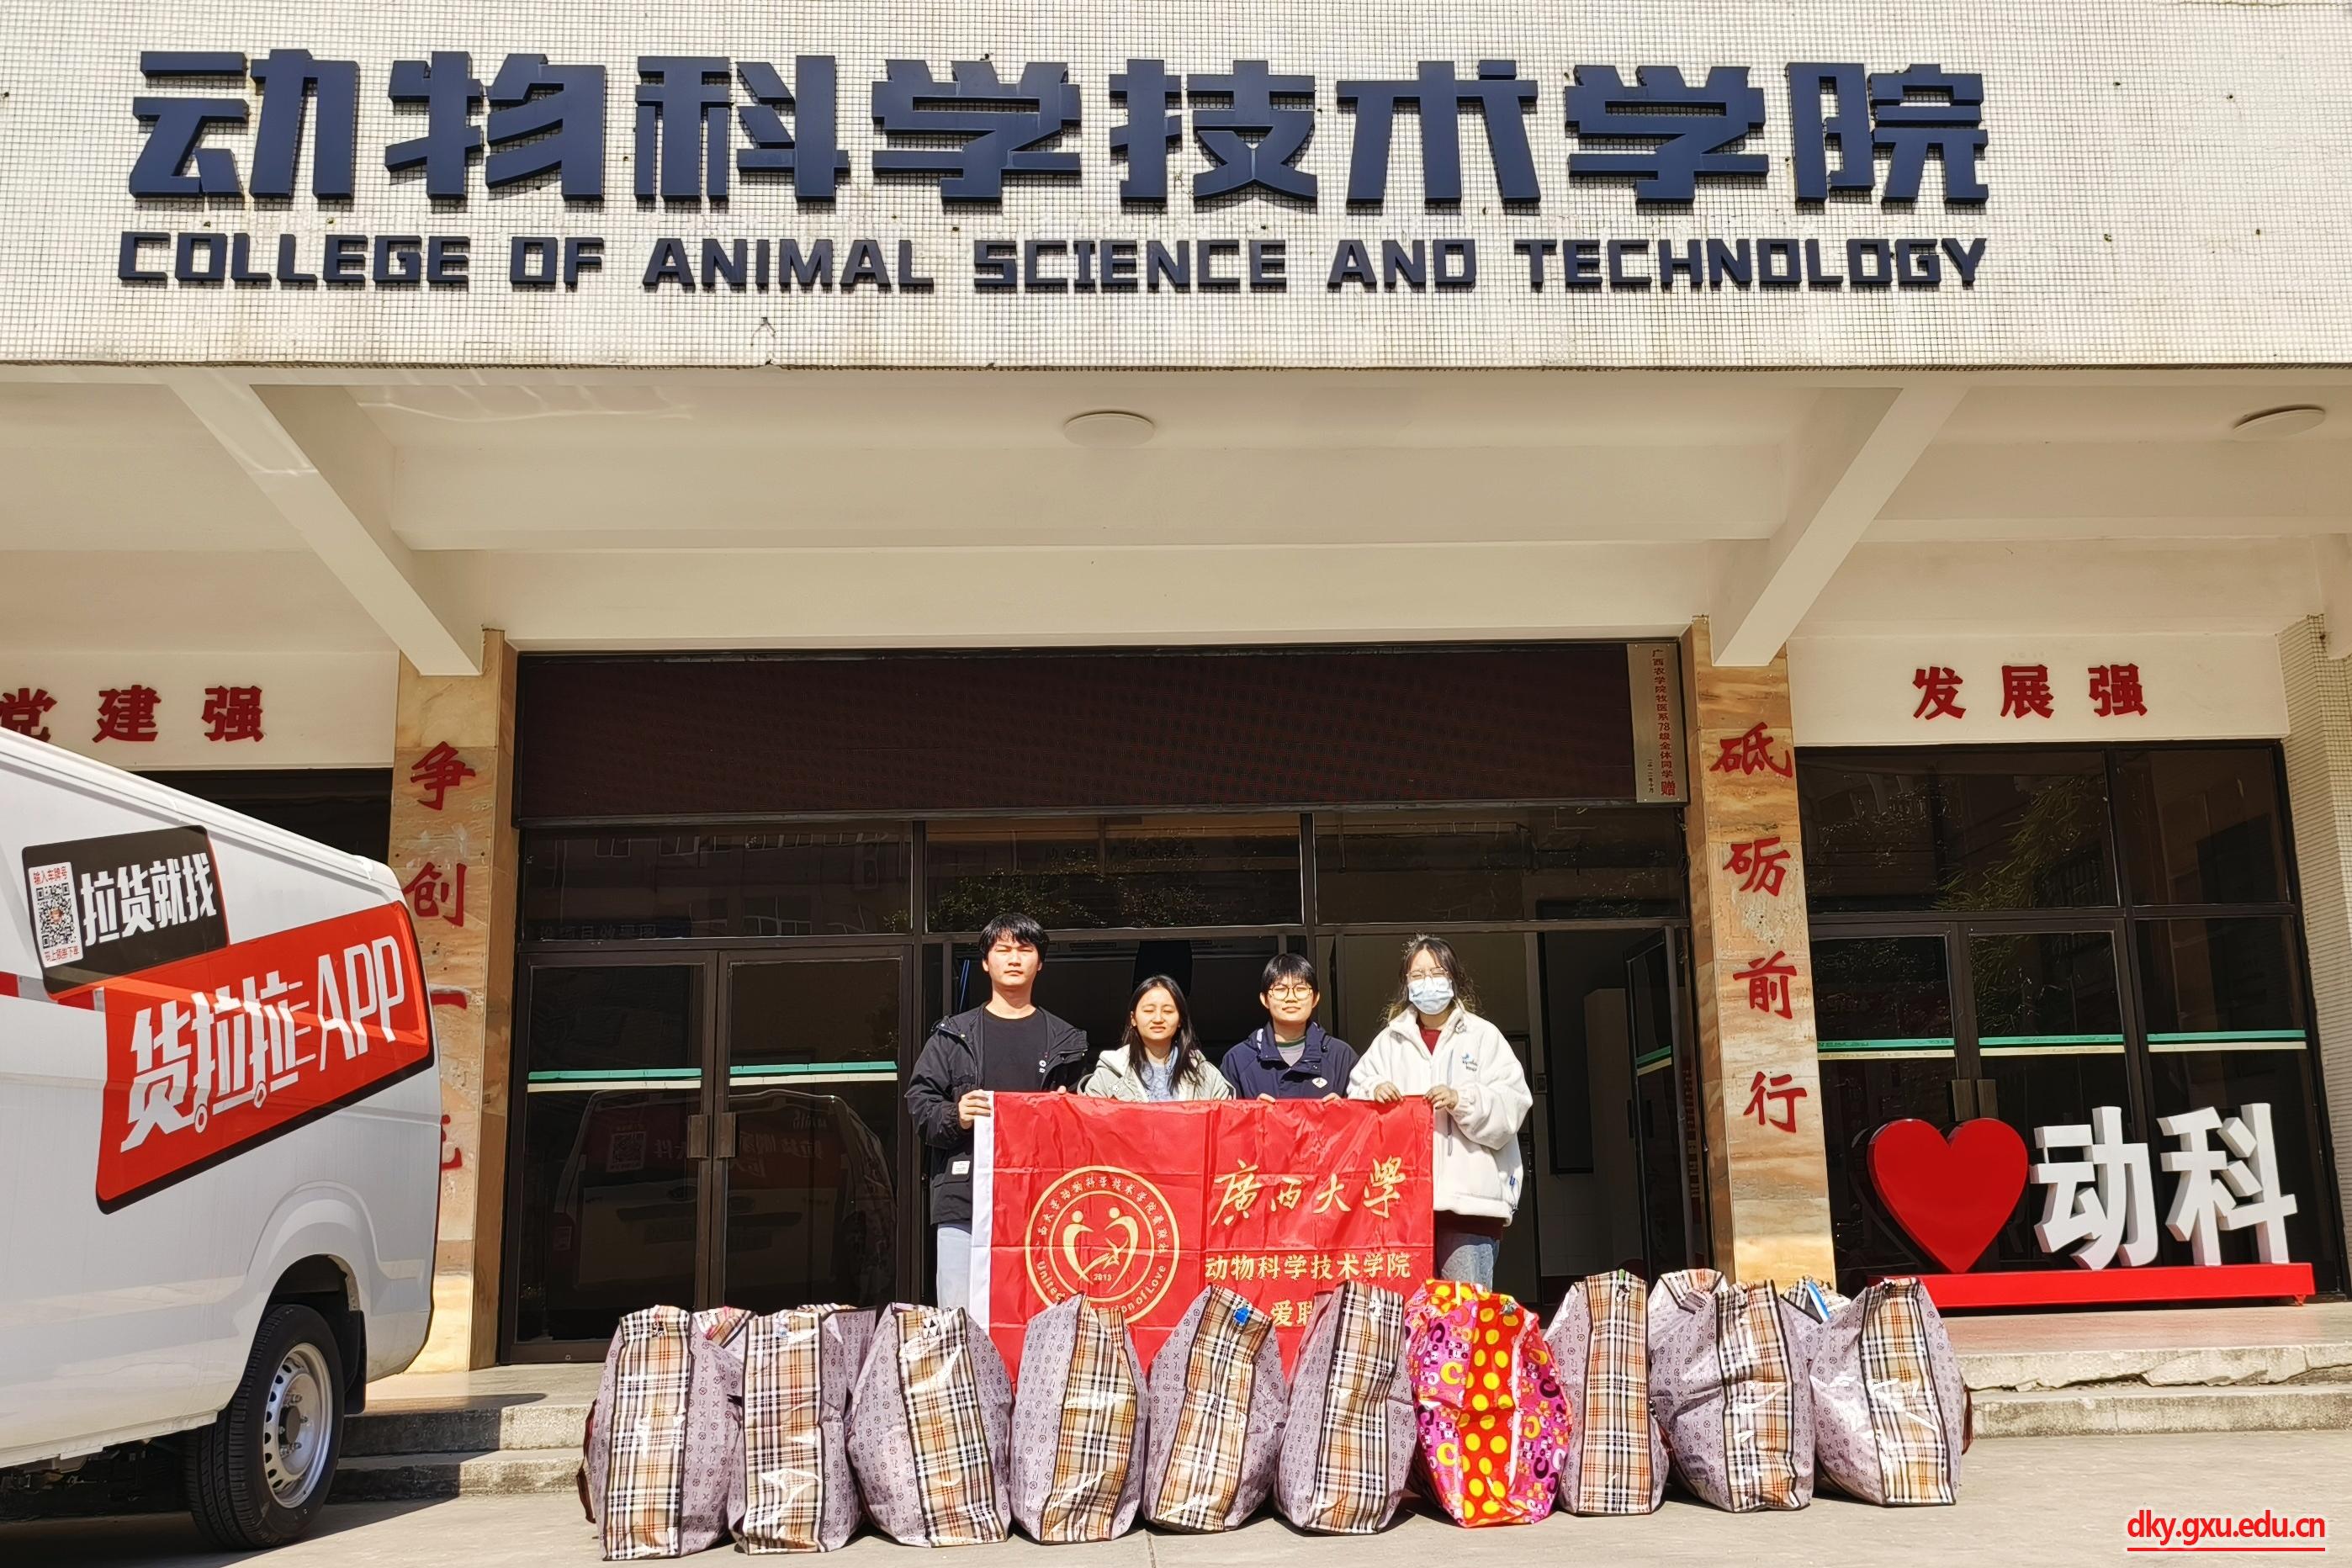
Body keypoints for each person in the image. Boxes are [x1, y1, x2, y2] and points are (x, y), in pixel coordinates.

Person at [905, 913, 1091, 1309]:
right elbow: (920, 1104)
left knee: (1040, 1316)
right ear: (986, 962)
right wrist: (956, 1115)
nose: (1014, 958)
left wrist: (1069, 1111)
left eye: (1025, 950)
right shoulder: (953, 1036)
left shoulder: (1066, 1041)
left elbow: (1087, 1122)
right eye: (1003, 950)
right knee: (961, 1319)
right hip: (966, 1199)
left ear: (1040, 963)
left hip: (1043, 1203)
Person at [1348, 935, 1531, 1290]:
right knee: (1404, 1315)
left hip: (1469, 1208)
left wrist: (1462, 1100)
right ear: (1406, 983)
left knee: (1463, 1313)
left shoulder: (1484, 1037)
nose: (1427, 982)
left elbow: (1512, 1107)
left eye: (1437, 973)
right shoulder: (1389, 1042)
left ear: (1454, 978)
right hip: (1401, 1209)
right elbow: (1354, 1100)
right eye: (1417, 975)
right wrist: (1374, 1092)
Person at [1221, 952, 1357, 1101]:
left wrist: (1342, 1111)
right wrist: (1254, 1112)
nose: (1291, 998)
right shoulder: (1238, 1060)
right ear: (1264, 999)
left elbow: (1364, 1113)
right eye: (1280, 990)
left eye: (1301, 989)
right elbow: (1223, 1114)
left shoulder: (1341, 1056)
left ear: (1315, 998)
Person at [1081, 974, 1235, 1101]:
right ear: (1133, 1018)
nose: (1158, 1019)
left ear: (1180, 1020)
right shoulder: (1108, 1076)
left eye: (1168, 1011)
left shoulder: (1206, 1075)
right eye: (1149, 1011)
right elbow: (1088, 1121)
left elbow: (1227, 1121)